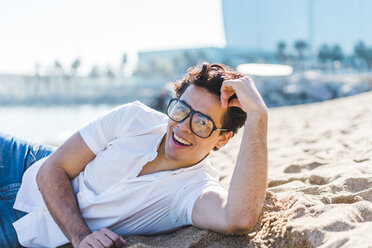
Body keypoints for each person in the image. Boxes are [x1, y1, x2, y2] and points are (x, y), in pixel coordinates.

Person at [0, 63, 268, 248]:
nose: (183, 126)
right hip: (19, 163)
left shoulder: (194, 191)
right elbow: (53, 169)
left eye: (202, 123)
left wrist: (258, 115)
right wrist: (81, 236)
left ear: (222, 138)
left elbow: (239, 218)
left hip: (16, 232)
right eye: (181, 110)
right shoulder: (133, 117)